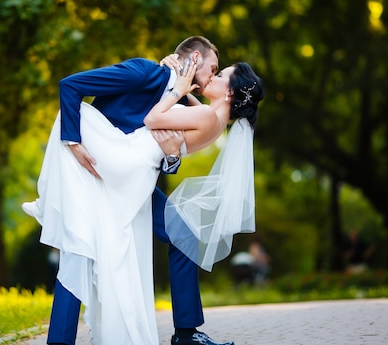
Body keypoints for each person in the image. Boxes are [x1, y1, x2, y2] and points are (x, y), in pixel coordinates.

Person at [23, 36, 263, 344]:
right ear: (191, 62)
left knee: (181, 233)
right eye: (213, 69)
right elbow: (71, 85)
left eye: (218, 74)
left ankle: (187, 333)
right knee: (80, 248)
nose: (211, 77)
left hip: (132, 174)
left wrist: (174, 154)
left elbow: (169, 140)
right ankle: (61, 339)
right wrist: (73, 141)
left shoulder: (189, 104)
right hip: (101, 158)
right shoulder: (145, 73)